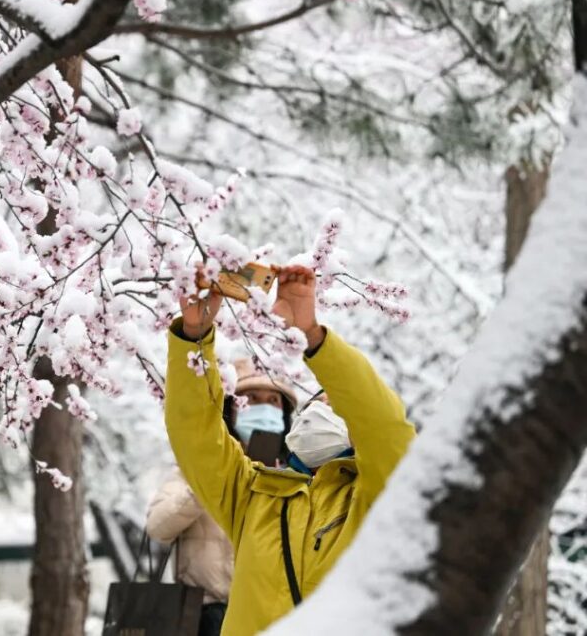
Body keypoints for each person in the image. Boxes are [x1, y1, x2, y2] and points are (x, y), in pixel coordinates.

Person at [166, 265, 416, 636]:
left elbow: (385, 426)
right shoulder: (255, 497)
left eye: (336, 407)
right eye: (317, 402)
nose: (322, 411)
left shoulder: (375, 499)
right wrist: (194, 337)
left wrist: (314, 337)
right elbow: (194, 434)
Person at [147, 362, 297, 636]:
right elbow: (158, 527)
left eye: (273, 400)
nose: (264, 408)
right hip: (205, 615)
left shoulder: (295, 475)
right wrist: (209, 481)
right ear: (231, 408)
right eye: (251, 398)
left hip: (271, 615)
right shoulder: (196, 467)